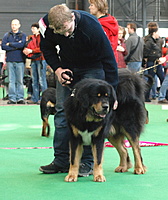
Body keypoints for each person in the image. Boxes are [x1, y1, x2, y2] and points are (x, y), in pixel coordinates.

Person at [38, 4, 118, 176]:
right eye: (61, 33)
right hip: (67, 67)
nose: (66, 35)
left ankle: (87, 163)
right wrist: (58, 69)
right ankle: (60, 161)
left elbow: (109, 59)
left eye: (67, 30)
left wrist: (114, 94)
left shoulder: (92, 26)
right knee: (61, 112)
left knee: (92, 115)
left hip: (93, 68)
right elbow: (47, 48)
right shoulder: (45, 25)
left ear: (72, 18)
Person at [2, 19, 26, 104]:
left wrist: (11, 44)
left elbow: (22, 45)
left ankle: (20, 98)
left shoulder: (22, 35)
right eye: (12, 24)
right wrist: (16, 46)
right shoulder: (6, 35)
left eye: (15, 24)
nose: (14, 26)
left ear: (19, 25)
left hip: (20, 61)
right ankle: (12, 98)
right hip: (10, 61)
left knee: (19, 80)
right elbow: (3, 46)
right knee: (11, 80)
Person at [23, 23, 47, 104]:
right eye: (32, 28)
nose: (32, 30)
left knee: (42, 80)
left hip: (41, 60)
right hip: (33, 60)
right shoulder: (31, 38)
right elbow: (28, 47)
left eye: (34, 28)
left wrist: (32, 51)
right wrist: (27, 51)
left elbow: (43, 48)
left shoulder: (42, 37)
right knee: (34, 80)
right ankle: (35, 98)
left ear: (38, 29)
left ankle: (44, 99)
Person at [143, 23, 165, 102]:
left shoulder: (158, 41)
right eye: (158, 32)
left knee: (163, 79)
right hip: (152, 63)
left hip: (157, 63)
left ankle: (164, 95)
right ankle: (146, 96)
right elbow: (145, 53)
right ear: (154, 33)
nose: (159, 34)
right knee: (150, 80)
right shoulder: (148, 41)